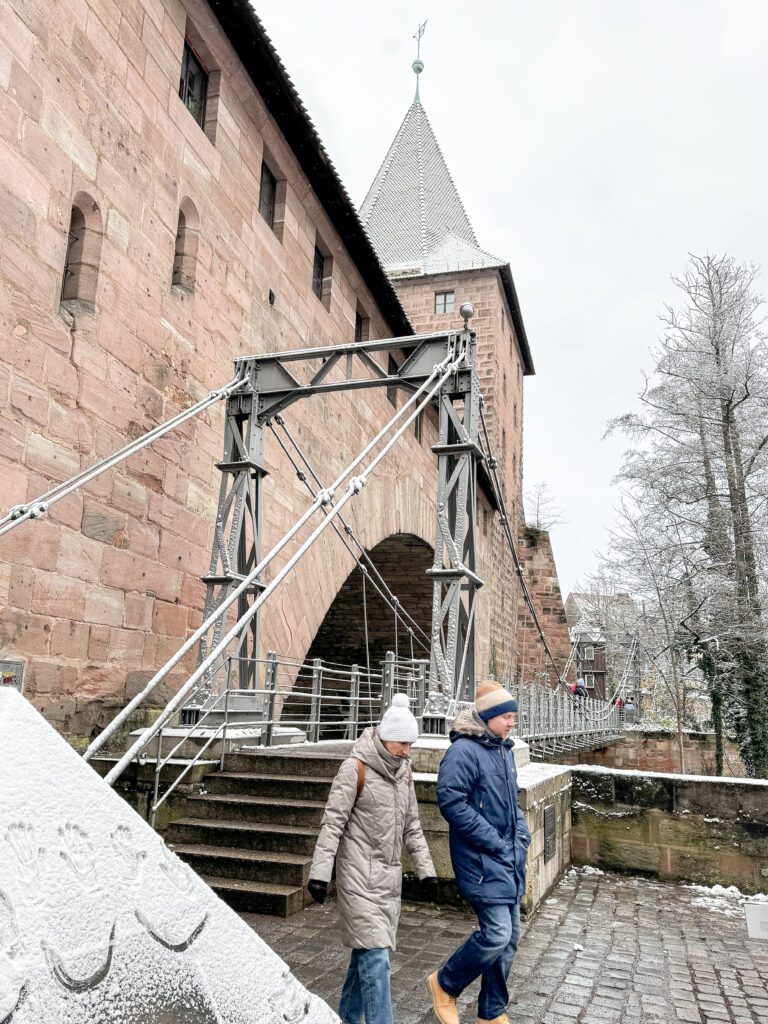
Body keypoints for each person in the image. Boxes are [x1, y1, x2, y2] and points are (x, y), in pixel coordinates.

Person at [308, 693, 437, 1024]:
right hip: (357, 880)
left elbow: (412, 827)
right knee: (377, 958)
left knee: (365, 956)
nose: (408, 751)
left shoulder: (403, 773)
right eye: (402, 743)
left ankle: (346, 1019)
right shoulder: (355, 769)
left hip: (387, 882)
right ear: (385, 737)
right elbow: (332, 823)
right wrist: (319, 874)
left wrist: (428, 873)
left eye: (411, 743)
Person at [427, 680, 531, 1024]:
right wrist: (496, 842)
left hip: (506, 859)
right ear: (488, 717)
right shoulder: (464, 752)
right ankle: (445, 985)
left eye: (514, 716)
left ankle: (491, 1012)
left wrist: (521, 840)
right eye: (507, 716)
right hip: (481, 861)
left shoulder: (502, 750)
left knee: (510, 938)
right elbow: (451, 802)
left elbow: (513, 804)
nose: (512, 722)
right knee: (497, 933)